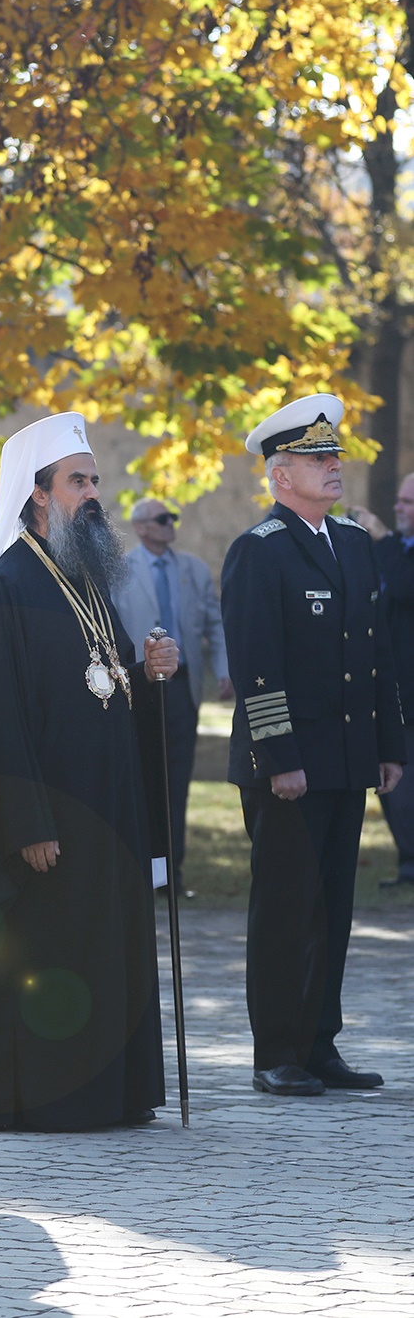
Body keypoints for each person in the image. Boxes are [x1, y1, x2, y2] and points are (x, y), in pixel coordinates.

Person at [0, 413, 176, 1132]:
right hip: (48, 820)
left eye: (93, 479)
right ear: (38, 493)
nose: (93, 494)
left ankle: (115, 1090)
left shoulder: (84, 577)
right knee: (56, 955)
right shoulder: (8, 584)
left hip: (105, 811)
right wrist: (26, 822)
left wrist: (148, 676)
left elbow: (108, 688)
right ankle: (54, 1097)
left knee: (105, 951)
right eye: (77, 480)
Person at [222, 395, 402, 1096]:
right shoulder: (258, 550)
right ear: (279, 474)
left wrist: (386, 743)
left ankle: (319, 1041)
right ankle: (276, 1049)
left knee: (332, 906)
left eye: (334, 458)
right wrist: (280, 757)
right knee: (285, 908)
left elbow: (375, 651)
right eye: (317, 460)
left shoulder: (353, 544)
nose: (334, 469)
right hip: (287, 766)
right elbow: (255, 664)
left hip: (346, 757)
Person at [112, 496, 231, 897]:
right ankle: (140, 869)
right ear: (142, 526)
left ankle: (170, 876)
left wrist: (225, 670)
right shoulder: (121, 570)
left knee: (176, 782)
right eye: (162, 519)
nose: (170, 524)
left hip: (182, 687)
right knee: (144, 775)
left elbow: (215, 623)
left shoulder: (193, 569)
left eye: (172, 517)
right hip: (141, 686)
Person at [354, 473, 414, 888]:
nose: (399, 508)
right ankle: (407, 863)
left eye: (409, 503)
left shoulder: (393, 549)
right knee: (395, 784)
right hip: (395, 690)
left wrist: (382, 539)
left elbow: (404, 590)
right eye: (399, 500)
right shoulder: (394, 548)